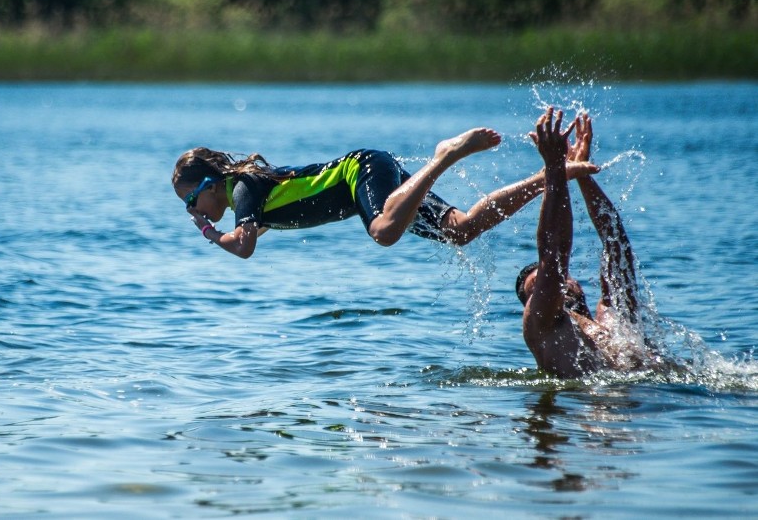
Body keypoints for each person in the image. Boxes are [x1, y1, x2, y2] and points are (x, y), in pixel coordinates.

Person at [172, 127, 598, 259]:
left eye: (191, 201)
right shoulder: (249, 195)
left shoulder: (241, 188)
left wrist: (207, 233)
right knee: (461, 229)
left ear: (210, 184)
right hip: (374, 170)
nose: (194, 210)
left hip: (362, 170)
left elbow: (243, 247)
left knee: (382, 231)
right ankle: (552, 174)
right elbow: (249, 235)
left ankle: (445, 157)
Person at [517, 108, 657, 378]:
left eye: (562, 279)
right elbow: (554, 255)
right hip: (599, 412)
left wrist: (582, 175)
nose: (555, 285)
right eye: (537, 288)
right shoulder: (542, 326)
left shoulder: (610, 316)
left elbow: (616, 244)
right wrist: (555, 168)